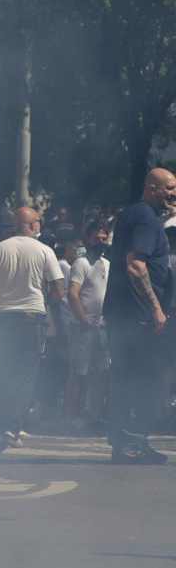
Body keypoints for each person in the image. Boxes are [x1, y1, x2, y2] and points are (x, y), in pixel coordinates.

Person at [0, 207, 65, 461]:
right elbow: (59, 289)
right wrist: (45, 301)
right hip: (32, 320)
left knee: (1, 375)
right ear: (32, 225)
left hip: (4, 319)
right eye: (38, 222)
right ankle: (11, 426)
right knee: (26, 376)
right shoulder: (45, 251)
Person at [102, 168, 176, 463]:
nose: (173, 193)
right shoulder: (145, 218)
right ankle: (131, 442)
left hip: (125, 315)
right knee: (148, 379)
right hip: (138, 317)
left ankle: (127, 442)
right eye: (169, 188)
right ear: (152, 188)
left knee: (127, 377)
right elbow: (136, 264)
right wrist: (156, 308)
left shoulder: (135, 215)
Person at [65, 220, 111, 426]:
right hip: (83, 328)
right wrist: (83, 320)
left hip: (102, 328)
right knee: (79, 372)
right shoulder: (80, 263)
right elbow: (73, 294)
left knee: (101, 372)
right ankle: (73, 415)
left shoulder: (107, 264)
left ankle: (95, 413)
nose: (100, 241)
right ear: (88, 239)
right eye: (97, 237)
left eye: (104, 238)